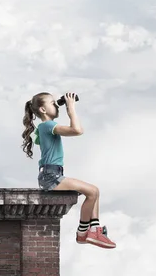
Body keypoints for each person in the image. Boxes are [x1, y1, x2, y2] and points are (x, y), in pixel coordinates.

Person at [21, 92, 116, 249]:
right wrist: (70, 107)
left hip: (52, 174)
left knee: (94, 192)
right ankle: (84, 232)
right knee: (92, 192)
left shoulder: (43, 128)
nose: (56, 105)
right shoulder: (47, 126)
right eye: (53, 103)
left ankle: (93, 230)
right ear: (43, 110)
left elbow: (73, 130)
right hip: (51, 175)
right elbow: (77, 130)